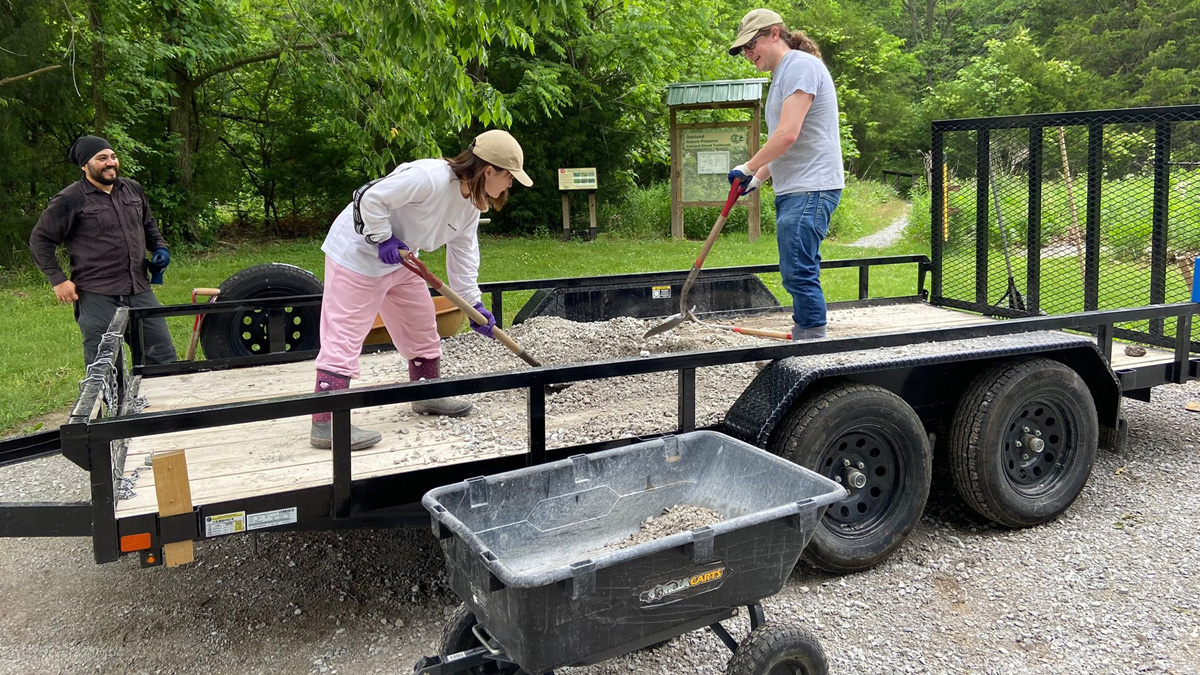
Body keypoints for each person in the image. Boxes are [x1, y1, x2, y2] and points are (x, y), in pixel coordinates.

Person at [310, 129, 533, 451]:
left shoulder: (471, 204)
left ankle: (426, 394)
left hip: (402, 260)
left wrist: (473, 303)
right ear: (489, 171)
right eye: (510, 177)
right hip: (357, 255)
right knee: (344, 333)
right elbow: (370, 196)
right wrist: (382, 236)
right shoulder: (429, 177)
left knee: (420, 324)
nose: (510, 184)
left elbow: (463, 252)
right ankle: (326, 420)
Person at [727, 9, 844, 340]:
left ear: (774, 34)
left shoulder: (800, 67)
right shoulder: (784, 74)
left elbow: (787, 135)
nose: (748, 54)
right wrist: (758, 178)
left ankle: (811, 339)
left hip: (812, 185)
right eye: (744, 50)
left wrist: (747, 167)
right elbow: (785, 143)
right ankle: (806, 331)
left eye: (751, 45)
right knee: (796, 267)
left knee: (798, 269)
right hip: (797, 186)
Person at [30, 135, 178, 367]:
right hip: (97, 295)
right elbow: (40, 239)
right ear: (84, 166)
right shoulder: (70, 198)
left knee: (162, 356)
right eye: (101, 158)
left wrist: (160, 248)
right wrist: (58, 280)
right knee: (106, 365)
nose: (111, 163)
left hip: (139, 290)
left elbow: (148, 225)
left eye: (113, 156)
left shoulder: (132, 189)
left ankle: (159, 404)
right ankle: (115, 404)